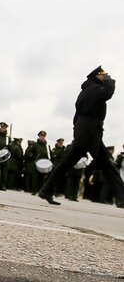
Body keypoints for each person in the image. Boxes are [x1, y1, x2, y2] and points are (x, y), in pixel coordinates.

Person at [37, 67, 124, 207]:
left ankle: (46, 189)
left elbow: (77, 116)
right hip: (90, 131)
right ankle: (122, 197)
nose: (106, 76)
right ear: (98, 76)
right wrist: (110, 81)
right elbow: (108, 93)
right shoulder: (94, 89)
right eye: (104, 75)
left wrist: (77, 131)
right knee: (107, 164)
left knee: (68, 163)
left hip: (85, 131)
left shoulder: (87, 90)